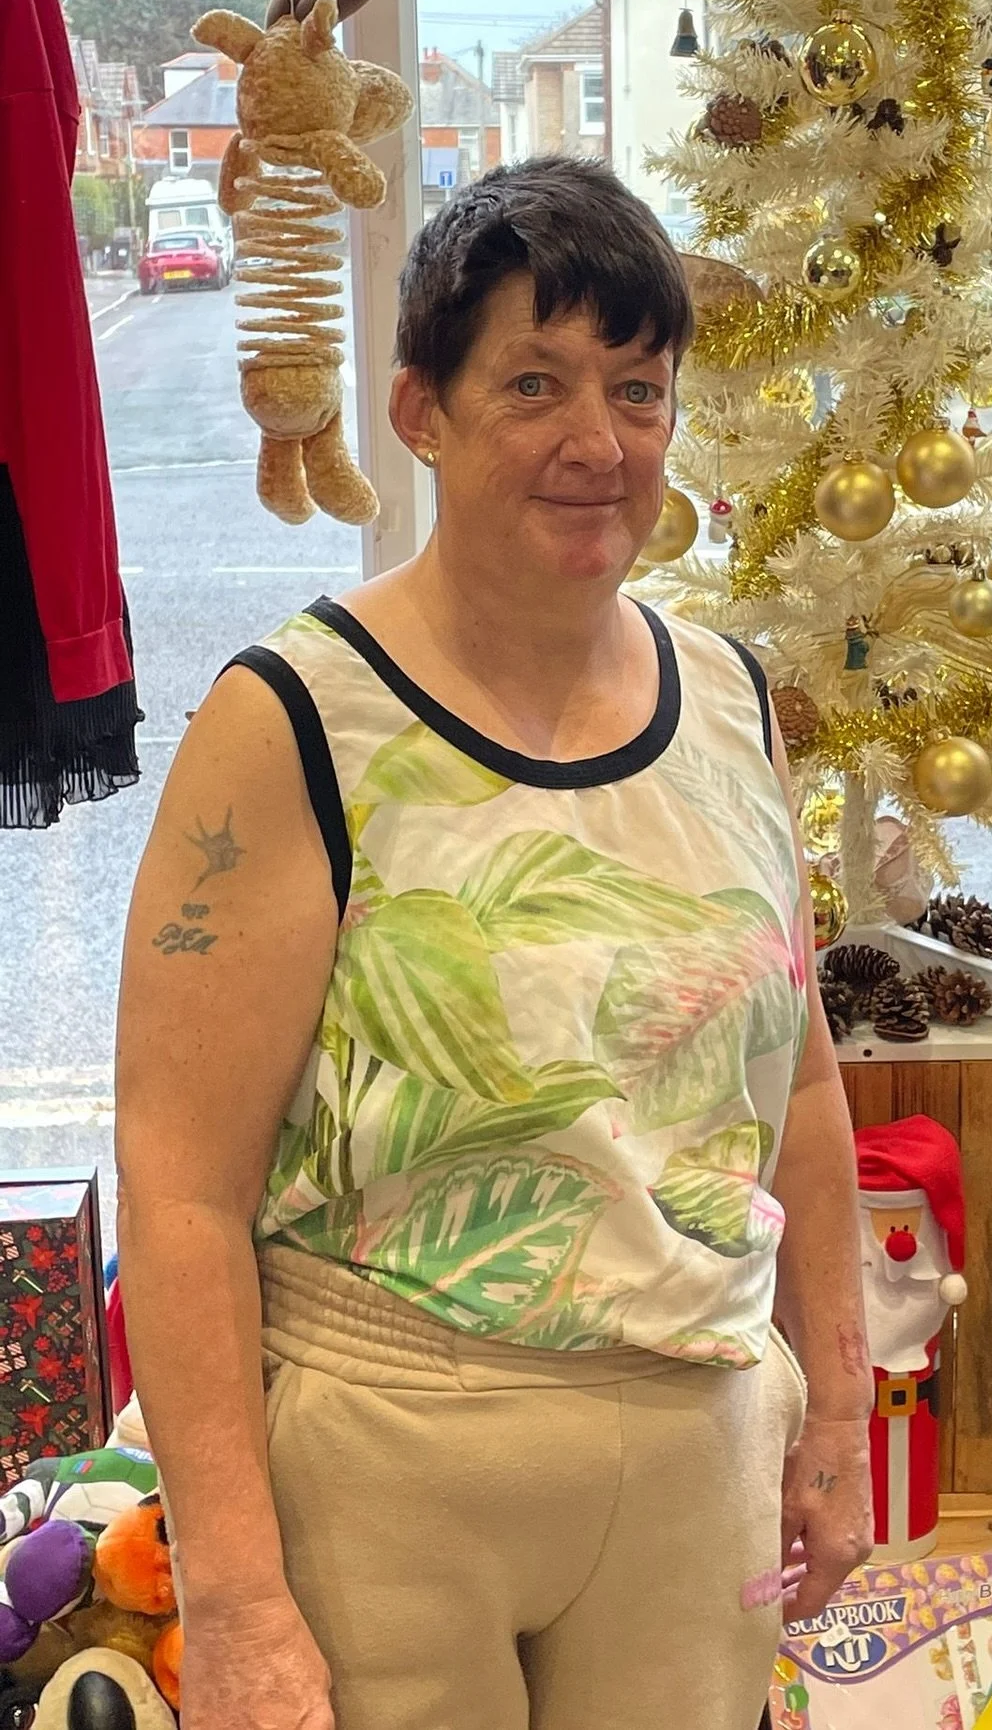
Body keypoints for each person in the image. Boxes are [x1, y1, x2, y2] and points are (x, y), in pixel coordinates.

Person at [115, 155, 873, 1730]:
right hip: (390, 1466)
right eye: (534, 381)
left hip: (698, 1451)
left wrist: (839, 1410)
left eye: (639, 390)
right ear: (420, 409)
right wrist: (238, 1602)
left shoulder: (729, 702)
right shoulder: (296, 722)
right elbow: (182, 1187)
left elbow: (796, 1090)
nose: (598, 444)